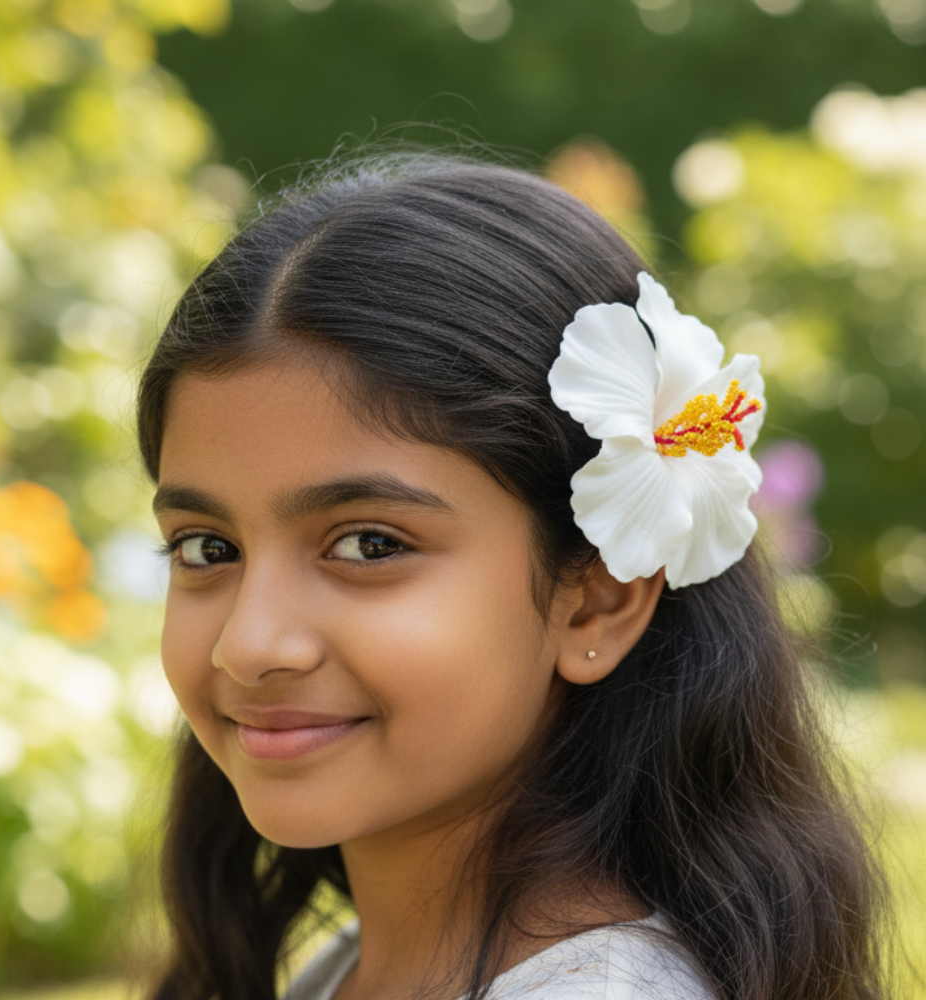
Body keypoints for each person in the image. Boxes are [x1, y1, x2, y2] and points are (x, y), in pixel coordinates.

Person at [136, 154, 887, 1000]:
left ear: (599, 598)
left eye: (370, 545)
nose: (250, 643)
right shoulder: (353, 970)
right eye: (205, 548)